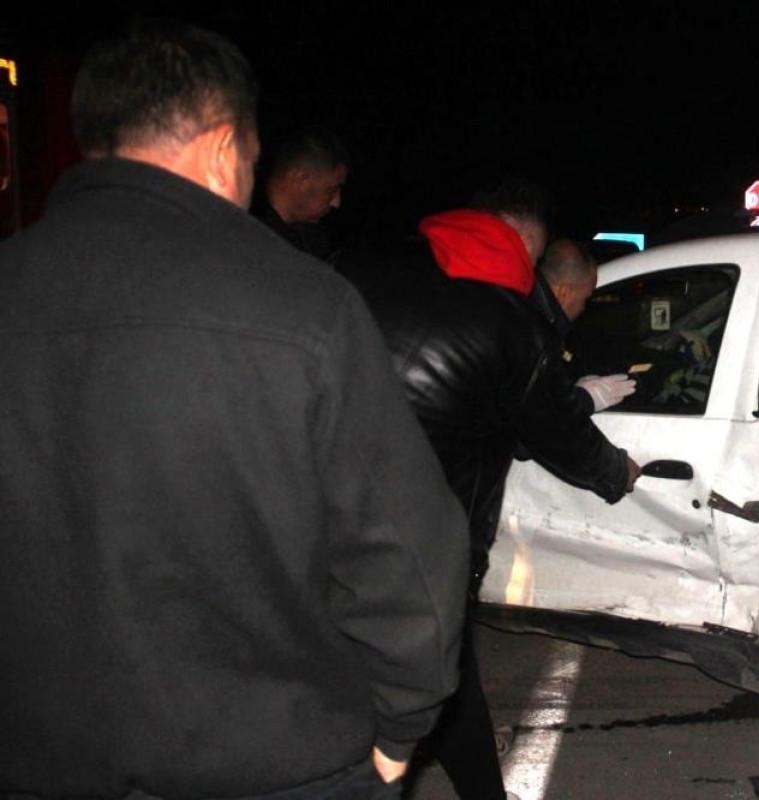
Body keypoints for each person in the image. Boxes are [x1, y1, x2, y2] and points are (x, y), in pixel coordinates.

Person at [0, 21, 468, 799]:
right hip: (275, 763)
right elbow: (407, 551)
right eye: (253, 155)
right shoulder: (302, 306)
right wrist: (401, 724)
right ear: (224, 149)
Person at [385, 181, 639, 800]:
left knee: (423, 675)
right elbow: (551, 431)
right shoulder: (508, 320)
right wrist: (617, 472)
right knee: (442, 680)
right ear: (525, 242)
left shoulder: (386, 274)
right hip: (429, 534)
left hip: (340, 515)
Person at [530, 237, 636, 414]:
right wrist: (585, 399)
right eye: (585, 299)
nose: (583, 308)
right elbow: (535, 413)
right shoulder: (533, 334)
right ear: (564, 293)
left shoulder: (526, 315)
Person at [255, 124, 350, 259]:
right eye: (331, 190)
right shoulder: (247, 233)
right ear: (300, 180)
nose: (336, 202)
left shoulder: (312, 238)